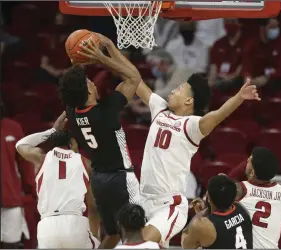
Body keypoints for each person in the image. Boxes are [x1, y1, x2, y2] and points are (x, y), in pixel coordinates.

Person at [76, 34, 260, 247]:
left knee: (141, 243)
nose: (173, 90)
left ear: (189, 100)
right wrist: (109, 51)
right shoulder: (160, 109)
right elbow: (134, 78)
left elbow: (217, 115)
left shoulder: (192, 126)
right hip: (143, 199)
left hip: (169, 205)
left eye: (179, 89)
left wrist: (239, 97)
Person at [59, 34, 141, 248]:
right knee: (135, 236)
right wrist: (106, 53)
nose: (93, 83)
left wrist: (79, 62)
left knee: (112, 235)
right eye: (89, 82)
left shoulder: (71, 111)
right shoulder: (107, 111)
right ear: (88, 90)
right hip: (122, 179)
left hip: (98, 181)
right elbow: (133, 78)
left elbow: (73, 84)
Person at [15, 112, 99, 249]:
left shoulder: (41, 158)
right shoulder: (85, 163)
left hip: (47, 227)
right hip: (74, 223)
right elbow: (94, 206)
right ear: (72, 143)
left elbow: (20, 144)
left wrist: (51, 131)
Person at [181, 175, 253, 249]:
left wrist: (200, 214)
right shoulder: (242, 209)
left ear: (208, 196)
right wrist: (206, 210)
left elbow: (185, 246)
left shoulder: (202, 226)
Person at [236, 147, 281, 249]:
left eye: (249, 160)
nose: (246, 161)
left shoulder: (241, 189)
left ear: (253, 172)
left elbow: (216, 190)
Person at [1, 110, 34, 249]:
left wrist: (31, 190)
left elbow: (25, 164)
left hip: (10, 200)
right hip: (11, 199)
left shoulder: (13, 128)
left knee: (11, 245)